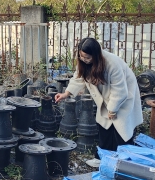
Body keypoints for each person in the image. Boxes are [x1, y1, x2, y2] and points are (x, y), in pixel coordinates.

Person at [54, 37, 142, 167]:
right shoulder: (84, 63)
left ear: (96, 55)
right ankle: (101, 158)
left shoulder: (112, 64)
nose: (84, 59)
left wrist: (112, 109)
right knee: (104, 125)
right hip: (106, 95)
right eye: (81, 56)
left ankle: (124, 163)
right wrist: (66, 93)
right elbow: (78, 77)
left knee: (121, 129)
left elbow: (120, 90)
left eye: (87, 57)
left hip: (124, 94)